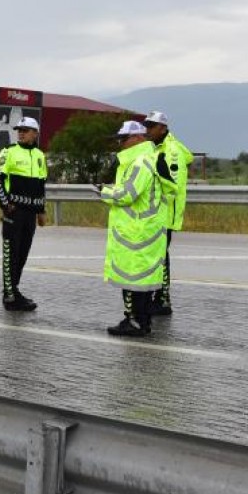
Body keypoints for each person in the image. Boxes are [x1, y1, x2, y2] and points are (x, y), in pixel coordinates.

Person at [96, 120, 168, 337]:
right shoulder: (144, 159)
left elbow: (127, 194)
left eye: (123, 139)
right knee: (139, 280)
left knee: (132, 280)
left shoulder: (140, 162)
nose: (120, 144)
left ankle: (135, 321)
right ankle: (139, 321)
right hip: (142, 229)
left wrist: (104, 192)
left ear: (138, 138)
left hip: (137, 231)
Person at [0, 117, 47, 311]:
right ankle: (9, 295)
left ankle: (14, 290)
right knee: (11, 252)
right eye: (19, 130)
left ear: (35, 133)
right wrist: (5, 203)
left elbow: (41, 185)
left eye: (26, 130)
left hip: (31, 214)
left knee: (23, 253)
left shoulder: (40, 155)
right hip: (13, 211)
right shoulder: (8, 152)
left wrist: (41, 211)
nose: (21, 133)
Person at [144, 111, 193, 315]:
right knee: (158, 256)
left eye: (152, 126)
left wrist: (156, 210)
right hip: (158, 214)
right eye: (147, 125)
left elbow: (171, 187)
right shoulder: (157, 146)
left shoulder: (171, 151)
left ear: (163, 128)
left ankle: (163, 300)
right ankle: (159, 297)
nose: (148, 130)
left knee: (161, 256)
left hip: (164, 214)